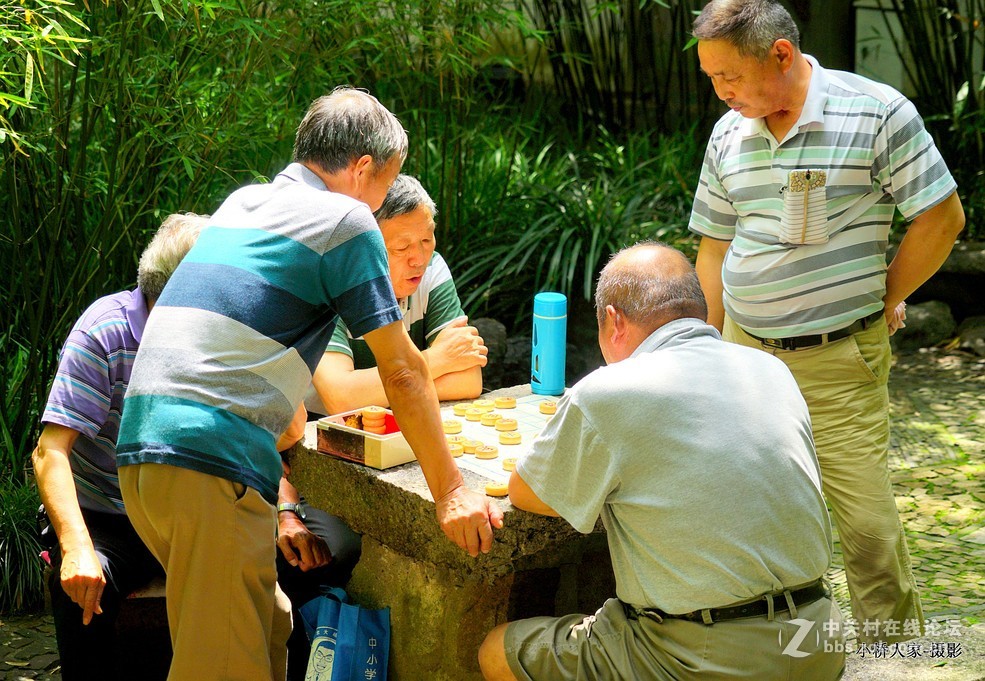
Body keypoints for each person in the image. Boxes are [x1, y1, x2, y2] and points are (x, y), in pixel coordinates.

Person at [115, 87, 504, 681]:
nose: (377, 210)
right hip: (207, 464)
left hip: (147, 460)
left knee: (269, 626)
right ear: (363, 168)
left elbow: (237, 355)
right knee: (221, 668)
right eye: (383, 188)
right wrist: (451, 491)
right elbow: (402, 371)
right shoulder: (345, 220)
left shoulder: (243, 204)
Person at [688, 0, 965, 643]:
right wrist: (704, 345)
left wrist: (882, 292)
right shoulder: (729, 133)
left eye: (730, 76)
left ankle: (893, 659)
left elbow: (942, 218)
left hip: (839, 360)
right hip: (744, 358)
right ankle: (770, 651)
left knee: (867, 530)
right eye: (711, 79)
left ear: (781, 54)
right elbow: (713, 247)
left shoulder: (877, 112)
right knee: (747, 513)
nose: (721, 92)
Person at [478, 242, 843, 681]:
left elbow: (528, 491)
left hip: (701, 657)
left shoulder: (609, 391)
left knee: (497, 650)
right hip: (818, 638)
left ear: (613, 320)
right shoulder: (770, 370)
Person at [32, 213, 207, 680]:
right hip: (111, 517)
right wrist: (76, 548)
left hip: (186, 509)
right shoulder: (106, 333)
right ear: (181, 290)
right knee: (83, 585)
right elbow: (50, 451)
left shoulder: (215, 338)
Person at [311, 173, 487, 415]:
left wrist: (368, 391)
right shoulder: (331, 283)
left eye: (426, 239)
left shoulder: (433, 269)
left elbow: (468, 379)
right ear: (366, 247)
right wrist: (437, 359)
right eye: (402, 248)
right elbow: (341, 398)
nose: (419, 259)